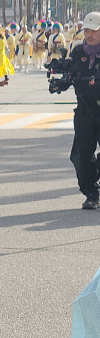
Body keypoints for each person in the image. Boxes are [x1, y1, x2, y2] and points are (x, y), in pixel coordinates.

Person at [49, 12, 100, 210]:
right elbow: (70, 76)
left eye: (93, 31)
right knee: (80, 156)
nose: (89, 35)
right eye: (86, 30)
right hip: (85, 111)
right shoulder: (78, 52)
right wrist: (60, 84)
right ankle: (91, 194)